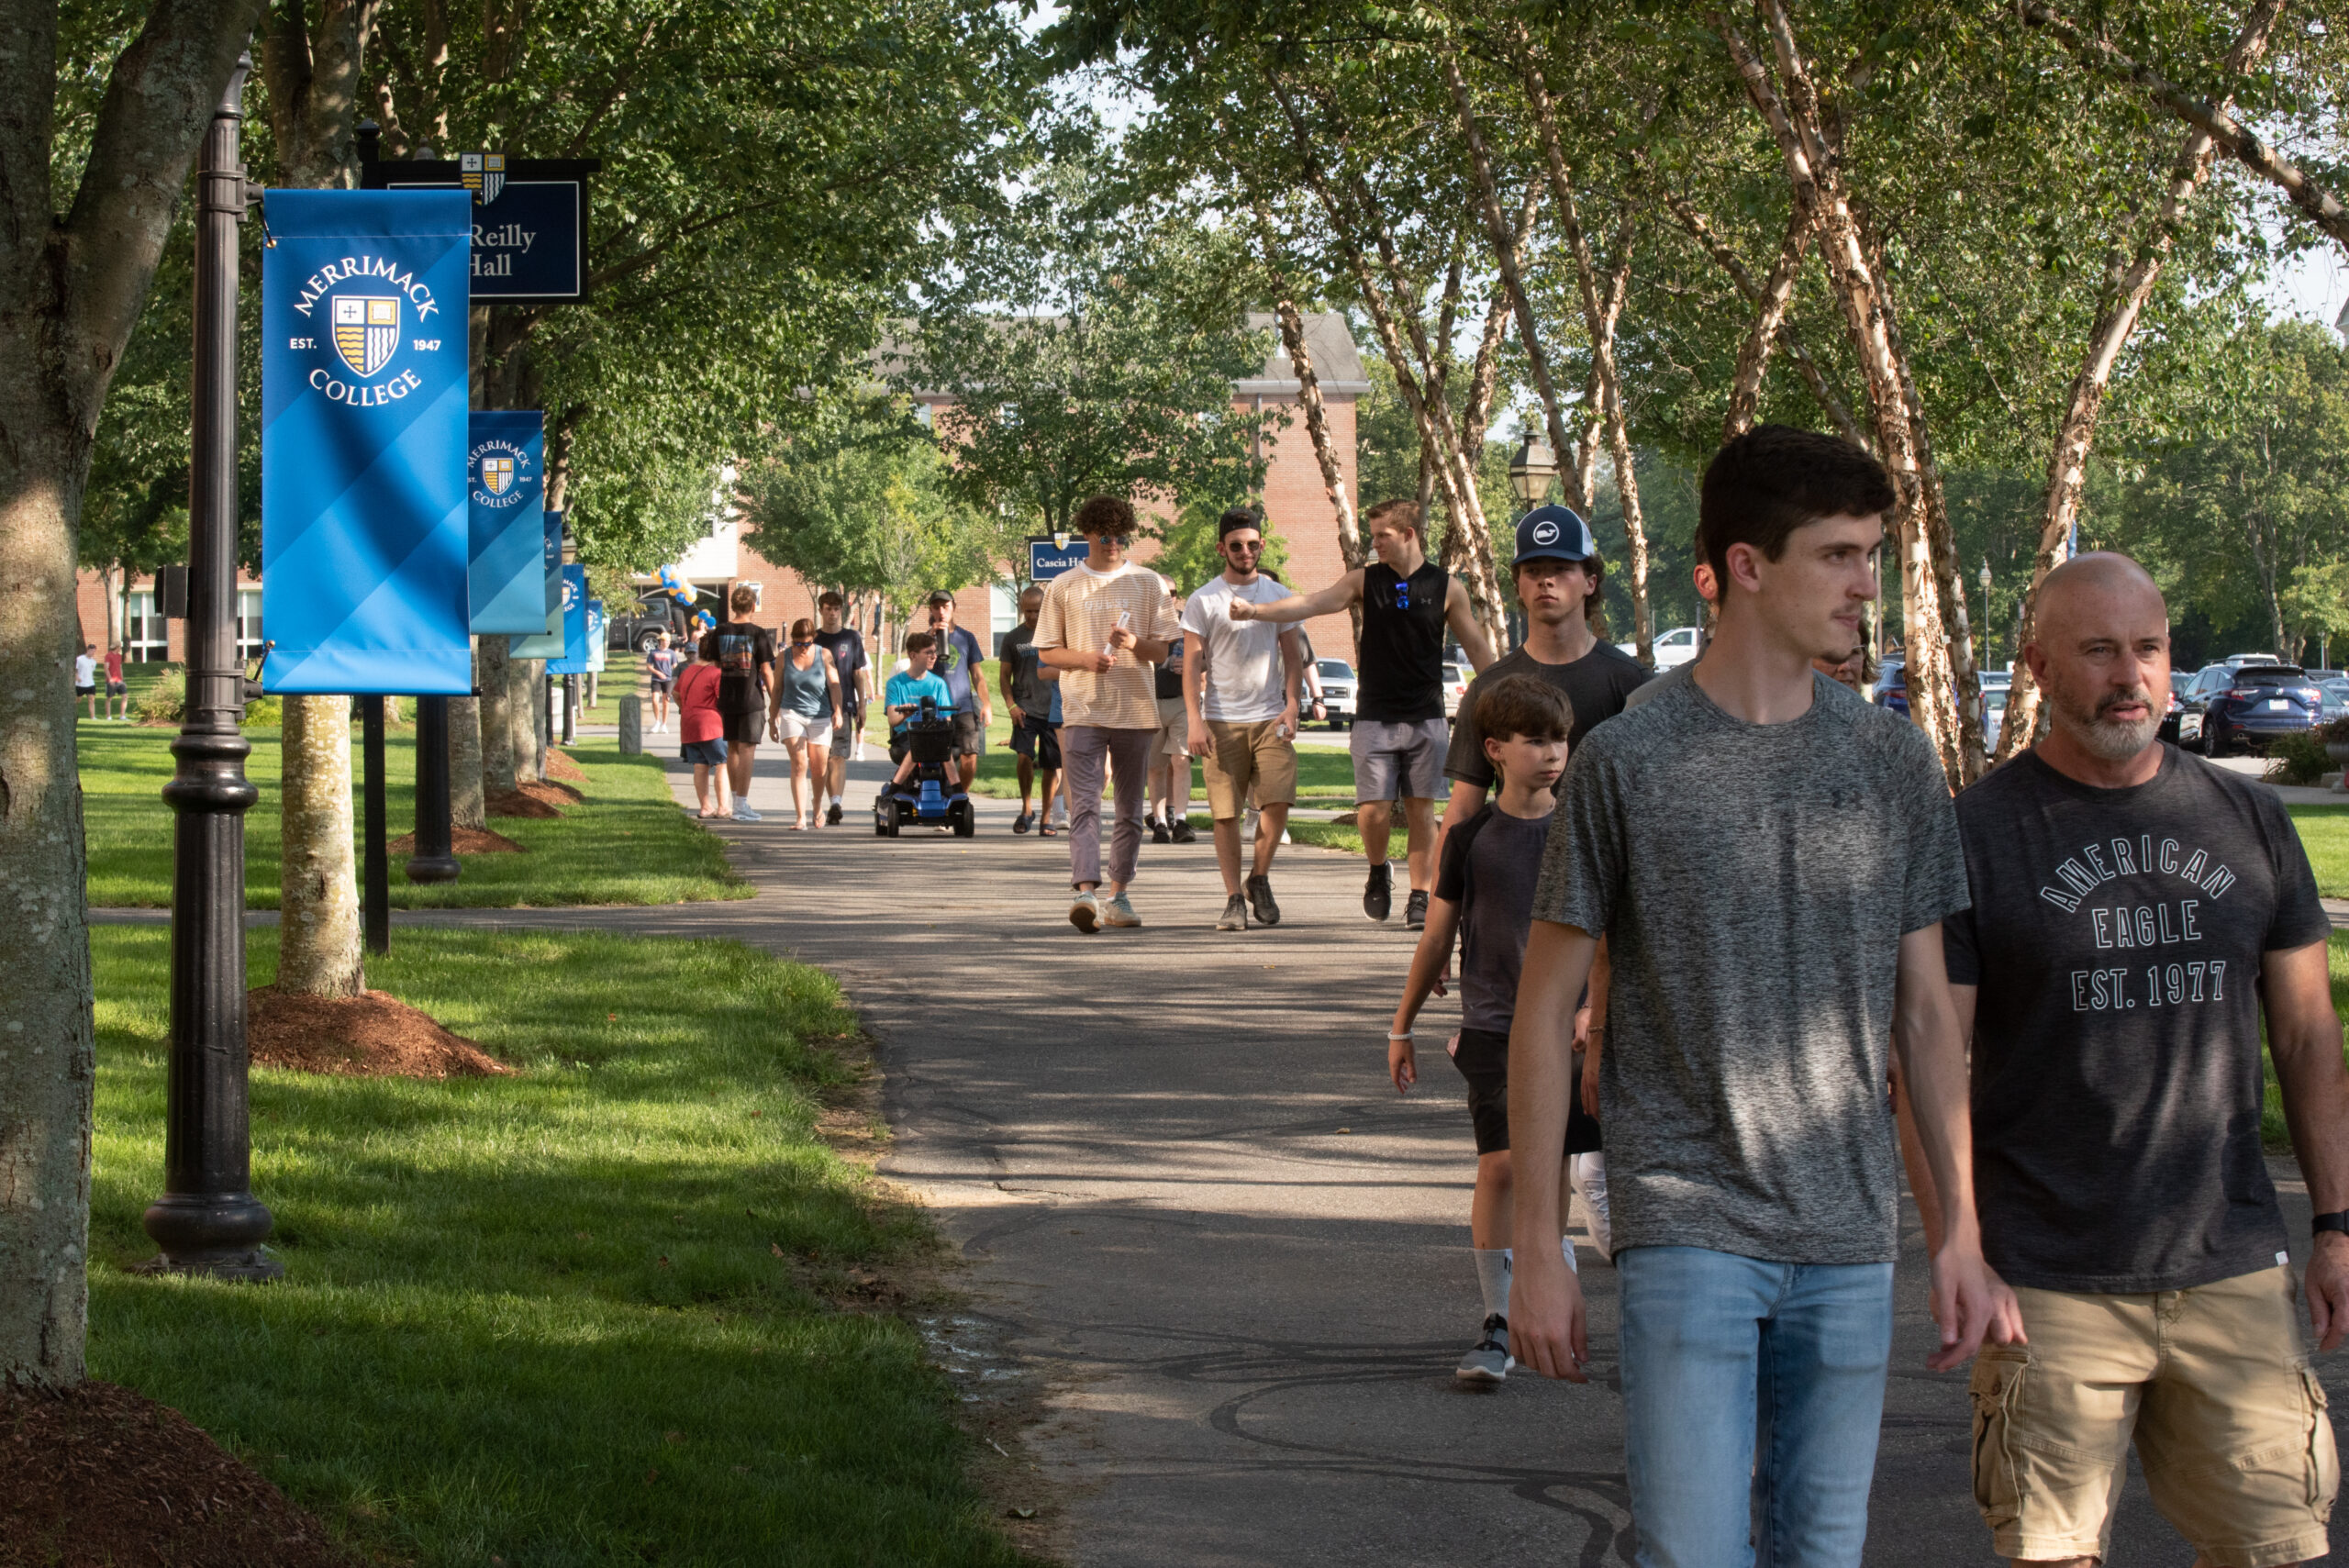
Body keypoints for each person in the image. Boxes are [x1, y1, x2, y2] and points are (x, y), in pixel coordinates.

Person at [1506, 423, 2021, 1565]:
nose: (1862, 584)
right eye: (1837, 555)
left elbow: (1928, 1017)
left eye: (1871, 554)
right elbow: (1544, 1013)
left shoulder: (1894, 761)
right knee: (1692, 1554)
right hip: (1687, 1215)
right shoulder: (1628, 760)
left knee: (1820, 1554)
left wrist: (1959, 1234)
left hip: (1847, 1232)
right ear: (1746, 564)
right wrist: (1537, 1245)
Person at [1947, 551, 2348, 1568]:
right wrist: (1959, 1242)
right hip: (2048, 1281)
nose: (2130, 677)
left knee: (2280, 1545)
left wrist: (2337, 1223)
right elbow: (1930, 1057)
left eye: (2148, 648)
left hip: (2230, 1266)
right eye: (2097, 651)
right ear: (2037, 664)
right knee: (2050, 1553)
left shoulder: (2248, 817)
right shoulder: (1977, 835)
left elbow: (2305, 1034)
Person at [1389, 676, 1606, 1383]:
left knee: (1574, 1175)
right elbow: (1438, 935)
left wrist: (1591, 1009)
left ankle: (1557, 1281)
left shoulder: (1584, 830)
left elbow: (1610, 934)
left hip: (1575, 1030)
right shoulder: (1473, 838)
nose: (1553, 754)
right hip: (1493, 1024)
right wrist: (1403, 1025)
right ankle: (1498, 1321)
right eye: (1536, 740)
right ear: (1494, 750)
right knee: (1504, 1165)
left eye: (1560, 739)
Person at [1230, 498, 1494, 928]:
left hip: (1426, 717)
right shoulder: (1363, 581)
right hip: (1374, 716)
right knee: (1372, 811)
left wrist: (1503, 692)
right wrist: (1256, 611)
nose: (1375, 545)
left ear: (1409, 534)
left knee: (1421, 811)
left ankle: (1420, 895)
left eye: (1382, 536)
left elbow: (1478, 647)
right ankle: (1378, 870)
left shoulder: (1447, 587)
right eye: (1373, 537)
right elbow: (1313, 603)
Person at [1441, 506, 1648, 851]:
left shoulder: (1632, 684)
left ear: (1590, 581)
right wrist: (1440, 901)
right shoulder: (1488, 688)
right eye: (1533, 570)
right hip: (1513, 873)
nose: (1545, 580)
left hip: (1607, 880)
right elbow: (1463, 806)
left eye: (1562, 569)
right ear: (1519, 585)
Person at [1036, 494, 1178, 932]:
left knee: (1130, 807)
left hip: (1135, 711)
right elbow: (1046, 651)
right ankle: (1085, 893)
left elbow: (1164, 651)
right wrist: (1085, 660)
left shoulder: (1150, 583)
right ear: (1087, 534)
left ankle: (1119, 895)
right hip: (1082, 709)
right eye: (1104, 535)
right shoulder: (1063, 585)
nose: (1112, 543)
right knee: (1084, 803)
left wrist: (1135, 644)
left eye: (1119, 535)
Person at [1180, 508, 1306, 931]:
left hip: (1271, 716)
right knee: (1225, 813)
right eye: (1236, 545)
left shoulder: (1276, 594)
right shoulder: (1203, 599)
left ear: (1261, 546)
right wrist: (1194, 722)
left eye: (1252, 544)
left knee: (1277, 801)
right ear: (1222, 549)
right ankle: (1234, 896)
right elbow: (1191, 666)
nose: (1245, 551)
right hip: (1220, 720)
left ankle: (1260, 877)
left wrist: (1293, 704)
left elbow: (1293, 657)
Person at [702, 586, 774, 822]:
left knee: (732, 747)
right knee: (747, 749)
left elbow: (713, 666)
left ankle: (736, 801)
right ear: (753, 607)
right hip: (750, 698)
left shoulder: (720, 631)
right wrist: (775, 702)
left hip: (727, 697)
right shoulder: (758, 633)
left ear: (732, 606)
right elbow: (765, 669)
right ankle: (742, 804)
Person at [767, 618, 843, 831]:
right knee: (799, 764)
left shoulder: (824, 654)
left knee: (819, 768)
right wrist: (772, 719)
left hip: (820, 715)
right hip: (792, 713)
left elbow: (835, 685)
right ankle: (800, 817)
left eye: (807, 643)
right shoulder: (784, 657)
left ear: (813, 640)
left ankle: (817, 806)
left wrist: (837, 711)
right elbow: (778, 689)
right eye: (798, 643)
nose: (802, 648)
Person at [998, 584, 1062, 836]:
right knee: (1024, 757)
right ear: (1022, 609)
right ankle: (1026, 809)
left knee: (1051, 764)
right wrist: (1011, 706)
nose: (1033, 616)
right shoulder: (1013, 638)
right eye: (1028, 612)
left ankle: (1047, 817)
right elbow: (1004, 676)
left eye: (1037, 611)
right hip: (1024, 708)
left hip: (1053, 709)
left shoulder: (1057, 635)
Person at [810, 592, 871, 821]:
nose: (833, 614)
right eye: (828, 609)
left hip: (844, 705)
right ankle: (830, 800)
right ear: (821, 610)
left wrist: (861, 705)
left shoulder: (852, 638)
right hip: (816, 707)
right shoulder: (814, 639)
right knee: (823, 758)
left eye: (837, 609)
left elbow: (858, 672)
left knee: (838, 756)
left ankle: (836, 803)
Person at [923, 590, 991, 790]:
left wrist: (986, 704)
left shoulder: (966, 637)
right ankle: (940, 799)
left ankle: (959, 798)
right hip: (932, 709)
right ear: (931, 610)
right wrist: (930, 638)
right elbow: (915, 670)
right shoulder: (923, 639)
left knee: (970, 757)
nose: (941, 611)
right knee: (936, 759)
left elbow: (977, 675)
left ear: (954, 607)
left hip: (963, 706)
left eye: (945, 606)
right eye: (936, 607)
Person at [1149, 575, 1198, 845]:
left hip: (1182, 701)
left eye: (1173, 593)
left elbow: (1206, 659)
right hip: (1150, 702)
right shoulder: (1143, 624)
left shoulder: (1188, 623)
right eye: (1162, 593)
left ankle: (1180, 820)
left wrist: (1192, 667)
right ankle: (1159, 823)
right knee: (1156, 766)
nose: (1168, 598)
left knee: (1181, 760)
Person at [882, 631, 959, 793]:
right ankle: (893, 791)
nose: (934, 656)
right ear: (913, 655)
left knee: (942, 747)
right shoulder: (895, 684)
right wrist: (905, 714)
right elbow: (892, 719)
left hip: (935, 734)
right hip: (907, 735)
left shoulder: (938, 684)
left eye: (934, 652)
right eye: (928, 653)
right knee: (919, 746)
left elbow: (947, 719)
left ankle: (957, 791)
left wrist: (938, 723)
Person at [673, 640, 731, 820]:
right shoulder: (716, 673)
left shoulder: (687, 670)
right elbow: (722, 699)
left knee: (700, 766)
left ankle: (705, 807)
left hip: (688, 723)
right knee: (722, 763)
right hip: (711, 724)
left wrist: (685, 707)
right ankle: (723, 807)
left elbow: (675, 694)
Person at [644, 630, 681, 734]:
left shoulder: (671, 653)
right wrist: (658, 673)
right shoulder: (654, 652)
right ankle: (657, 721)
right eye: (665, 640)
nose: (667, 642)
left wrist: (677, 677)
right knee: (655, 700)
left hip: (668, 680)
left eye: (669, 640)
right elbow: (649, 666)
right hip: (656, 679)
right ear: (661, 641)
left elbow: (675, 666)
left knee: (666, 701)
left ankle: (664, 724)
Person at [104, 643, 128, 719]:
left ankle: (122, 716)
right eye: (120, 647)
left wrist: (122, 680)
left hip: (119, 680)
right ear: (117, 647)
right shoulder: (108, 655)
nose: (121, 648)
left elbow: (120, 668)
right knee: (109, 698)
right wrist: (110, 679)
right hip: (111, 681)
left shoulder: (119, 656)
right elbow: (106, 668)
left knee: (125, 696)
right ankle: (108, 716)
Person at [75, 643, 98, 720]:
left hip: (90, 684)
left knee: (91, 699)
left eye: (94, 651)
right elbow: (75, 670)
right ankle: (72, 713)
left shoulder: (94, 662)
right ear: (87, 650)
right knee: (78, 700)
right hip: (80, 684)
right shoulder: (79, 659)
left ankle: (93, 717)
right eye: (91, 651)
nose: (92, 653)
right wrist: (77, 677)